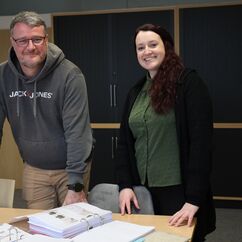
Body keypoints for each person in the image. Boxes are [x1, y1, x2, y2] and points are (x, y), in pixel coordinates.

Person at [115, 23, 216, 241]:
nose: (146, 51)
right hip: (142, 191)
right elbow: (124, 143)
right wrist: (125, 185)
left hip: (179, 191)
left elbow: (201, 144)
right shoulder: (136, 91)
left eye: (153, 44)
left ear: (167, 47)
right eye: (140, 47)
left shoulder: (188, 83)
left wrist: (194, 199)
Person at [0, 11, 93, 209]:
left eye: (36, 39)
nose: (30, 47)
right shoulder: (2, 76)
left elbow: (78, 133)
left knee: (73, 227)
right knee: (39, 230)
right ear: (13, 42)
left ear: (46, 39)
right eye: (23, 40)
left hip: (71, 169)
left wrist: (76, 184)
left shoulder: (70, 75)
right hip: (34, 168)